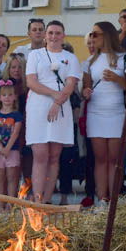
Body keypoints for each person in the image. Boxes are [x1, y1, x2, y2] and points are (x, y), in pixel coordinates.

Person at [25, 21, 78, 203]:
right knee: (40, 154)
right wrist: (53, 94)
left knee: (54, 156)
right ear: (45, 35)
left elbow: (70, 84)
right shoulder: (35, 55)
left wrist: (58, 101)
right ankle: (37, 199)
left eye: (57, 33)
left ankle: (47, 200)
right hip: (38, 107)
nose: (54, 36)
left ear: (63, 35)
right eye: (50, 33)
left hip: (61, 109)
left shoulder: (70, 58)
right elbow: (31, 82)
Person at [82, 22, 126, 207]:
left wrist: (117, 78)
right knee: (100, 159)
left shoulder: (124, 57)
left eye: (96, 34)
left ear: (107, 35)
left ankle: (114, 201)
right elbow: (86, 86)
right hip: (96, 111)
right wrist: (85, 92)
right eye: (92, 34)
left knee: (114, 159)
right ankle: (102, 200)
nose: (92, 38)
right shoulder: (90, 61)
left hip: (117, 111)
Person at [0, 82, 24, 209]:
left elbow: (16, 133)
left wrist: (8, 147)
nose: (7, 98)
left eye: (10, 95)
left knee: (12, 178)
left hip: (12, 151)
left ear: (15, 97)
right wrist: (0, 147)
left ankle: (11, 204)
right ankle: (0, 205)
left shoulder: (16, 115)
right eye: (4, 95)